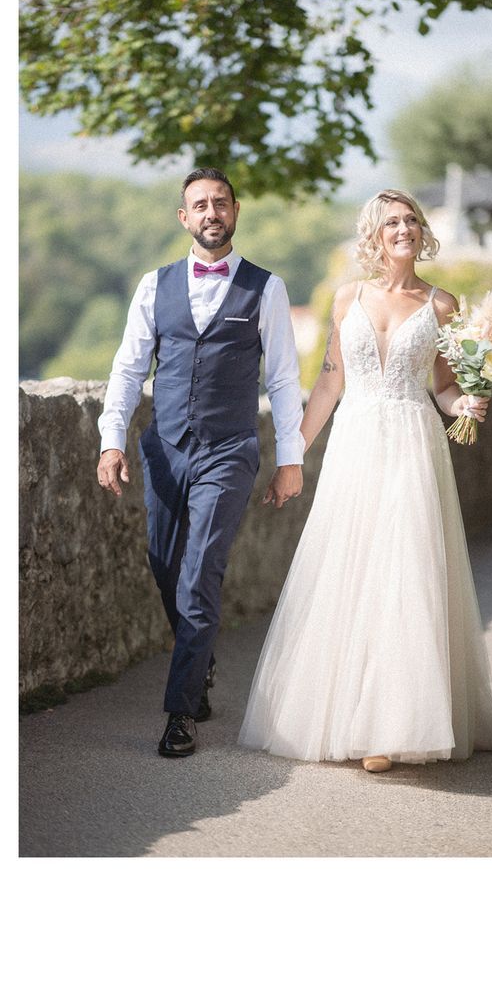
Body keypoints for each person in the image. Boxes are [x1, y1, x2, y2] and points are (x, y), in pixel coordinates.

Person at [237, 189, 492, 769]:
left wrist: (464, 404)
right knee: (349, 572)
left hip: (414, 445)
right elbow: (330, 385)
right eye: (392, 221)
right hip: (356, 447)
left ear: (422, 232)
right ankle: (346, 714)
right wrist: (293, 457)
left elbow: (441, 385)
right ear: (374, 234)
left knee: (404, 575)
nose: (404, 228)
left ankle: (389, 728)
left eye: (412, 219)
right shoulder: (347, 298)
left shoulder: (441, 305)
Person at [96, 167, 306, 759]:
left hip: (228, 449)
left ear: (236, 212)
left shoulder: (267, 288)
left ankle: (182, 712)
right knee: (164, 566)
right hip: (163, 447)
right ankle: (201, 658)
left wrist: (289, 459)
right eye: (199, 205)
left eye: (220, 203)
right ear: (184, 218)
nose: (211, 213)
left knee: (199, 574)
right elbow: (128, 369)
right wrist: (112, 439)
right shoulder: (152, 285)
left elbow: (285, 380)